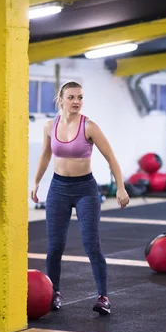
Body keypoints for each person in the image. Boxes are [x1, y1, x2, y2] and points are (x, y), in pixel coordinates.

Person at [31, 81, 130, 316]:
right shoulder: (49, 126)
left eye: (80, 97)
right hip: (58, 188)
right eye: (72, 97)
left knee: (91, 245)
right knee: (55, 247)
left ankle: (103, 297)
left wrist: (121, 187)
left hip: (85, 189)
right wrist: (35, 181)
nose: (77, 101)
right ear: (61, 99)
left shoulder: (89, 126)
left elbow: (111, 158)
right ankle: (54, 293)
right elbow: (45, 155)